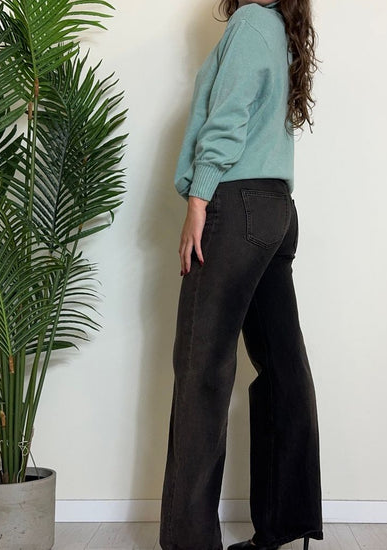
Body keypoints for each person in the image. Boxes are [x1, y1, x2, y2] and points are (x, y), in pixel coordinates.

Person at [159, 0, 323, 549]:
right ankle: (286, 525)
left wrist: (198, 199)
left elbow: (229, 116)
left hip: (234, 207)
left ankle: (190, 543)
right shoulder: (280, 29)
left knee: (202, 370)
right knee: (282, 367)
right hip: (276, 209)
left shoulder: (252, 21)